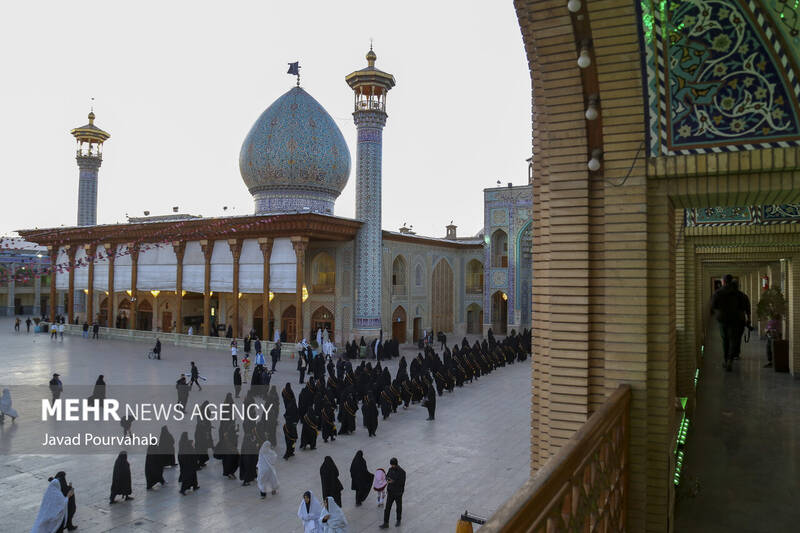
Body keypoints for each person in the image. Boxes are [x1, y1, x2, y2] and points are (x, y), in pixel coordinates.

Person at [710, 274, 751, 371]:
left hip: (723, 319)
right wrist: (748, 319)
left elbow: (713, 307)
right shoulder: (740, 294)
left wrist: (718, 312)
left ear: (723, 282)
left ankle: (726, 360)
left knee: (725, 340)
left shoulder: (718, 293)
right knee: (734, 340)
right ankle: (730, 360)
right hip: (737, 320)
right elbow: (747, 307)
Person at [379, 458, 406, 529]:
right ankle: (385, 523)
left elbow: (402, 483)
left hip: (398, 493)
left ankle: (398, 520)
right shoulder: (390, 469)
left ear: (395, 464)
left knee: (398, 507)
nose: (391, 466)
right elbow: (387, 476)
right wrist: (387, 479)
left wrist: (393, 481)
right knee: (387, 508)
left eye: (392, 465)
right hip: (391, 492)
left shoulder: (402, 472)